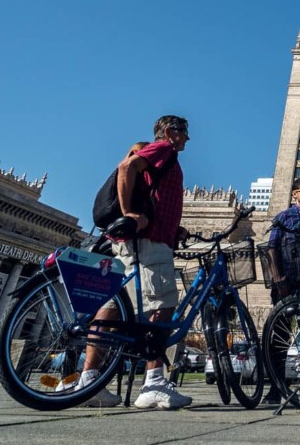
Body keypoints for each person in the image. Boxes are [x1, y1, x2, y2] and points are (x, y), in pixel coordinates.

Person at [76, 116, 193, 410]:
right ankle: (154, 383)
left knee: (113, 308)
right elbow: (127, 167)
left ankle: (88, 382)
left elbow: (153, 195)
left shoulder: (163, 157)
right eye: (183, 132)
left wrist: (174, 228)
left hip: (139, 242)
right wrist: (128, 212)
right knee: (163, 305)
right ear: (170, 131)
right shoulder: (163, 148)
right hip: (149, 243)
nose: (187, 138)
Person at [263, 177, 300, 405]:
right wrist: (278, 278)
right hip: (286, 283)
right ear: (294, 193)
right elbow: (271, 248)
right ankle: (276, 388)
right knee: (280, 336)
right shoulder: (284, 217)